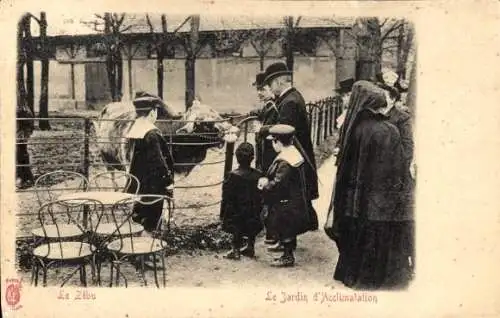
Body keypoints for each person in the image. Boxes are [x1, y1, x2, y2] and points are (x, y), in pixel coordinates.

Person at [330, 80, 413, 290]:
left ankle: (351, 275)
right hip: (381, 199)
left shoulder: (354, 129)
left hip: (356, 198)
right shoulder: (388, 130)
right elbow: (398, 167)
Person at [259, 62, 319, 253]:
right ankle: (282, 239)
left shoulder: (290, 101)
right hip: (294, 156)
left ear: (277, 82)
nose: (270, 88)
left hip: (291, 159)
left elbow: (284, 129)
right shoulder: (291, 98)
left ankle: (286, 242)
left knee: (286, 202)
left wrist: (263, 130)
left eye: (271, 83)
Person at [258, 124, 314, 267]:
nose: (272, 144)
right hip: (294, 198)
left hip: (286, 201)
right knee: (287, 225)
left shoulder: (285, 162)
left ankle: (288, 256)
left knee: (285, 225)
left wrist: (265, 185)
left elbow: (279, 183)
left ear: (277, 142)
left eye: (273, 141)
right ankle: (283, 245)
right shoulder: (293, 153)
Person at [125, 95, 175, 233]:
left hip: (140, 181)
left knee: (140, 211)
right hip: (154, 183)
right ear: (153, 112)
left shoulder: (136, 131)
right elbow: (158, 161)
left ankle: (138, 237)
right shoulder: (152, 134)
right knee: (153, 215)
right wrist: (168, 180)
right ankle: (149, 243)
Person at [220, 142, 264, 260]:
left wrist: (223, 212)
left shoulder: (232, 176)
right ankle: (250, 246)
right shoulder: (258, 174)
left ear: (236, 157)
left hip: (237, 212)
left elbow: (226, 196)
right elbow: (261, 194)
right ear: (252, 158)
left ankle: (235, 250)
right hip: (252, 211)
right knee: (252, 220)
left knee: (236, 224)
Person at [251, 72, 280, 245]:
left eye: (263, 89)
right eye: (258, 90)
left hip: (269, 158)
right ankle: (271, 232)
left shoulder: (273, 108)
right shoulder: (269, 106)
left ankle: (272, 233)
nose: (260, 93)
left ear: (271, 89)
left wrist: (260, 129)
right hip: (265, 156)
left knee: (270, 194)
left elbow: (268, 136)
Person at [16, 103, 35, 189]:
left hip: (20, 134)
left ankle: (24, 177)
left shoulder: (23, 106)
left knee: (21, 153)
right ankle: (24, 177)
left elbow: (29, 119)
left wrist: (26, 133)